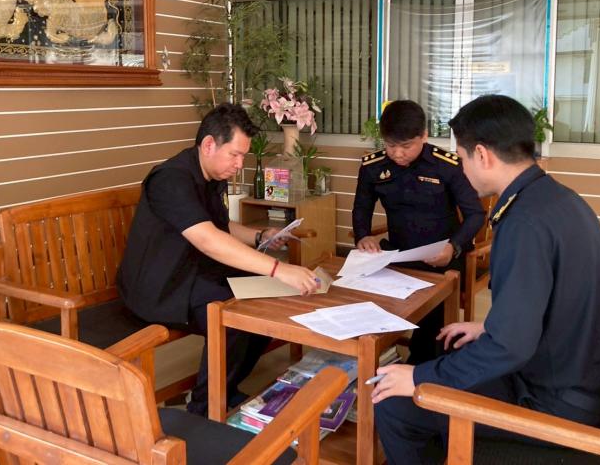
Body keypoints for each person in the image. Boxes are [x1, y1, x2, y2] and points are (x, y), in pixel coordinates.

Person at [370, 95, 600, 465]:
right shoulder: (556, 199)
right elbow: (554, 302)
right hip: (581, 374)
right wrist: (488, 328)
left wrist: (416, 378)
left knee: (395, 402)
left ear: (482, 155)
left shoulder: (523, 222)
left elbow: (510, 348)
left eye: (462, 158)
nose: (461, 169)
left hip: (557, 400)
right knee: (445, 349)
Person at [117, 103, 319, 416]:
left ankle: (224, 388)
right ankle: (203, 406)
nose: (239, 165)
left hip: (193, 273)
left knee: (265, 299)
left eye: (243, 156)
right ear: (209, 144)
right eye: (235, 155)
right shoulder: (170, 180)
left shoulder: (211, 174)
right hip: (159, 286)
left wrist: (259, 236)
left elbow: (219, 226)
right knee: (234, 311)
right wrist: (279, 268)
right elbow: (208, 239)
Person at [352, 100, 485, 364]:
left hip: (442, 258)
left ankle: (419, 366)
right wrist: (363, 235)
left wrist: (453, 247)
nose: (397, 153)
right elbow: (361, 207)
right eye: (391, 145)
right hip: (398, 254)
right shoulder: (373, 166)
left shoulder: (446, 165)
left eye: (406, 146)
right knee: (363, 297)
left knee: (431, 309)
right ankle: (376, 356)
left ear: (423, 136)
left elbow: (475, 214)